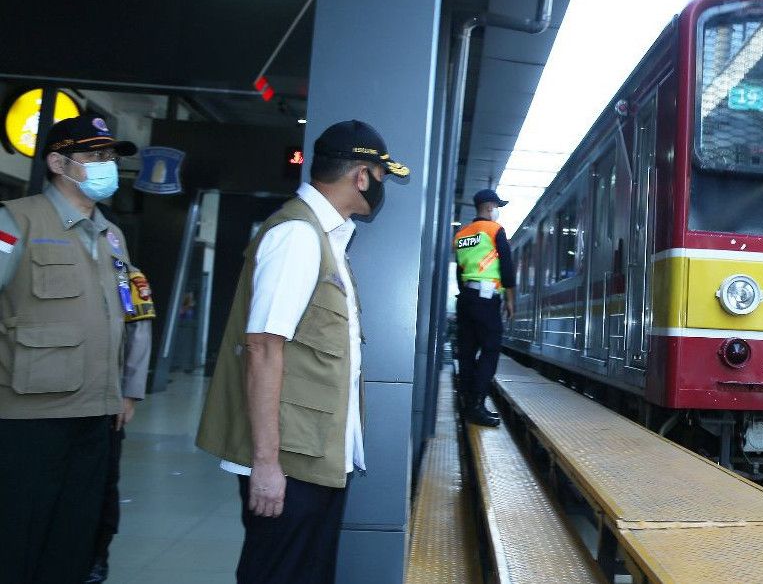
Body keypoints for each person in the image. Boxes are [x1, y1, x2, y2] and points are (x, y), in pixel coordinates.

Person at [196, 120, 408, 584]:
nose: (382, 186)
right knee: (279, 573)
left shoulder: (327, 238)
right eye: (382, 175)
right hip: (288, 461)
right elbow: (263, 350)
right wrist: (266, 465)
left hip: (312, 455)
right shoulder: (298, 236)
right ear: (361, 175)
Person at [0, 115, 139, 584]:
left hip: (95, 415)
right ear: (58, 162)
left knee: (74, 543)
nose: (108, 166)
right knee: (17, 540)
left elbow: (123, 314)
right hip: (28, 418)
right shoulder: (14, 220)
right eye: (95, 156)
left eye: (111, 158)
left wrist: (125, 392)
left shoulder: (112, 236)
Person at [86, 264, 156, 583]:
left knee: (102, 485)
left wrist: (129, 392)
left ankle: (96, 558)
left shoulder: (120, 270)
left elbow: (138, 325)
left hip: (105, 399)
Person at [453, 189, 516, 427]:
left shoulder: (461, 234)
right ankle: (477, 405)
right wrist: (510, 299)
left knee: (468, 351)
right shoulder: (495, 231)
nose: (497, 211)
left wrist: (466, 294)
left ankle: (469, 401)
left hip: (466, 298)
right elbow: (507, 268)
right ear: (490, 207)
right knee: (490, 350)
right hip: (487, 299)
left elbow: (460, 270)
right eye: (497, 206)